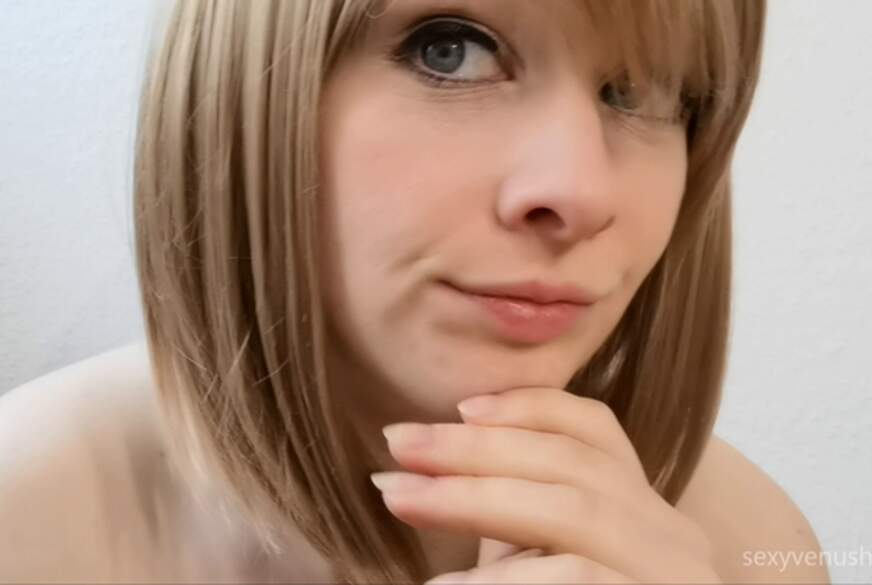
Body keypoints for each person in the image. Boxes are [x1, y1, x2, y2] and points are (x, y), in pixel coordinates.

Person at [0, 0, 830, 583]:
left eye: (642, 91)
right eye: (449, 49)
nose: (582, 190)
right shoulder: (24, 522)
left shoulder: (755, 549)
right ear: (239, 88)